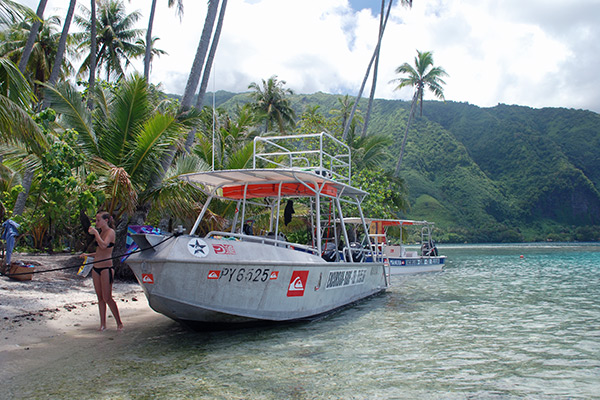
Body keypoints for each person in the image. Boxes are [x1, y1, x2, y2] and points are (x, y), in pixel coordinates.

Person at [81, 212, 123, 331]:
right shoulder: (100, 233)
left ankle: (119, 323)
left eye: (99, 220)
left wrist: (95, 234)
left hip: (106, 268)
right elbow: (100, 251)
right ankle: (103, 324)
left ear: (106, 220)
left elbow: (104, 246)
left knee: (107, 297)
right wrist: (87, 255)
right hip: (96, 268)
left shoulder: (110, 232)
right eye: (96, 220)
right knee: (100, 298)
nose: (96, 222)